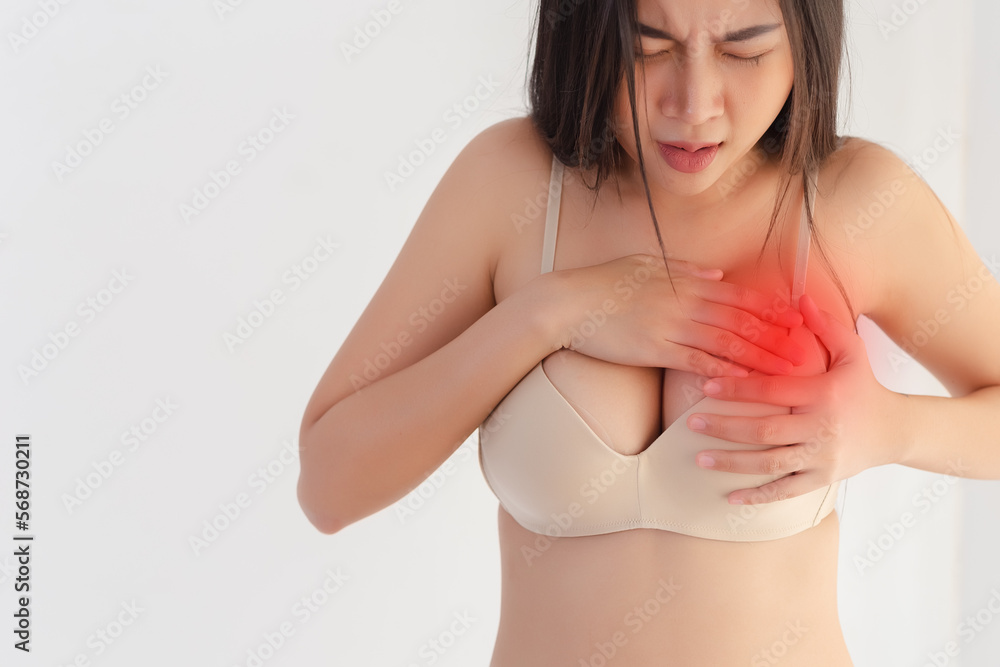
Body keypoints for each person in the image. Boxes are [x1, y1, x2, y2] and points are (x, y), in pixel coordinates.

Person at [296, 0, 1000, 663]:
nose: (693, 105)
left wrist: (893, 428)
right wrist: (548, 313)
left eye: (744, 50)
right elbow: (328, 488)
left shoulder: (856, 201)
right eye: (647, 47)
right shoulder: (510, 185)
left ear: (805, 42)